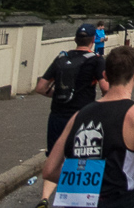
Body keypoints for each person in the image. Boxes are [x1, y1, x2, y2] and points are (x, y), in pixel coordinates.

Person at [42, 46, 134, 208]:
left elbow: (49, 171)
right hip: (116, 201)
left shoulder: (79, 115)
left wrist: (87, 183)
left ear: (105, 75)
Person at [34, 23, 109, 208]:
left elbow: (41, 88)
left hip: (57, 115)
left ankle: (44, 199)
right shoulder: (96, 60)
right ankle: (77, 199)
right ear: (93, 40)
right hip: (82, 116)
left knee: (55, 158)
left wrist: (56, 96)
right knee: (81, 160)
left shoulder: (61, 58)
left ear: (75, 39)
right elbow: (106, 88)